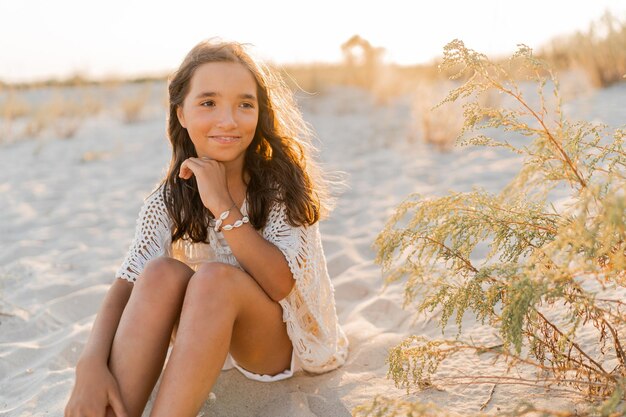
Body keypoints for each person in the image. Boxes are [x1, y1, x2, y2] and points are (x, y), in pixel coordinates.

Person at [64, 39, 349, 417]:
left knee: (214, 278)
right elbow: (127, 282)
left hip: (281, 342)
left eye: (245, 104)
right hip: (209, 336)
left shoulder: (281, 184)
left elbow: (281, 283)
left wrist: (222, 205)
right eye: (208, 103)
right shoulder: (167, 199)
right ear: (181, 112)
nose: (228, 120)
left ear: (260, 113)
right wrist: (90, 363)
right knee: (160, 271)